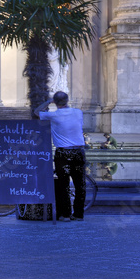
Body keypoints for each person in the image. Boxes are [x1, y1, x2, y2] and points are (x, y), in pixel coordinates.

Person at [35, 91, 86, 221]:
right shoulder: (78, 112)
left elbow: (36, 112)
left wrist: (48, 102)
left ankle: (65, 214)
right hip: (79, 151)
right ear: (67, 100)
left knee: (63, 184)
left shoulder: (54, 116)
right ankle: (79, 214)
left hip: (63, 153)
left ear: (55, 102)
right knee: (80, 184)